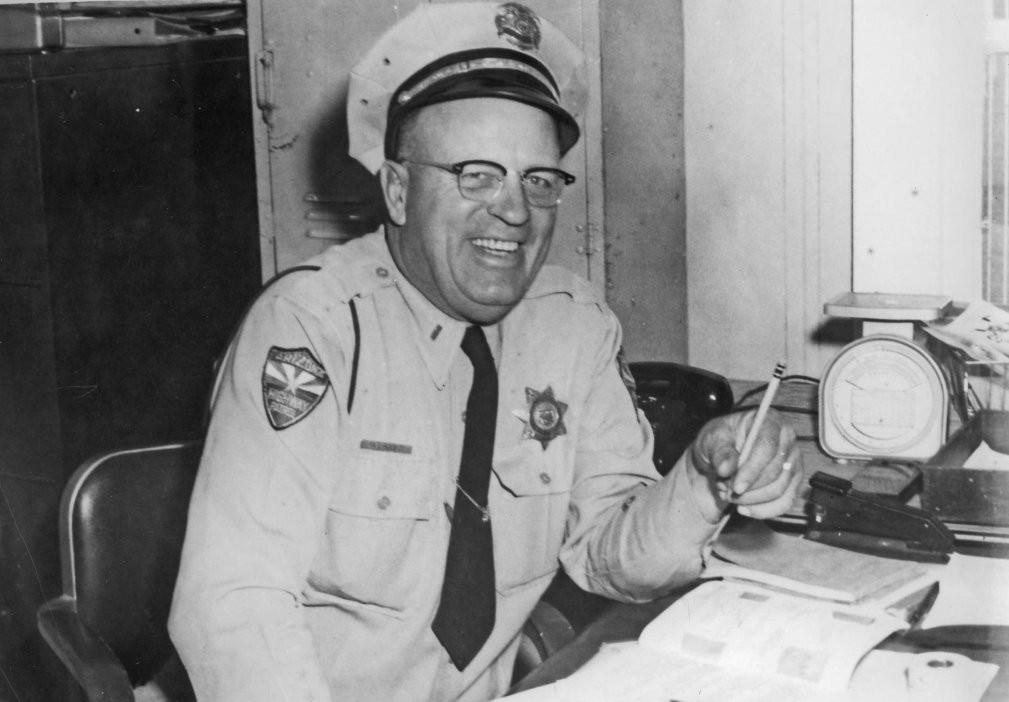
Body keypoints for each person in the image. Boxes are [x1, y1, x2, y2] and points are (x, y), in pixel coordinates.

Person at [168, 3, 803, 701]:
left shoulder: (573, 327)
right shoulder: (312, 329)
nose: (515, 210)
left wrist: (706, 480)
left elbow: (609, 558)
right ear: (398, 190)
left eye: (539, 180)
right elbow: (234, 607)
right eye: (476, 175)